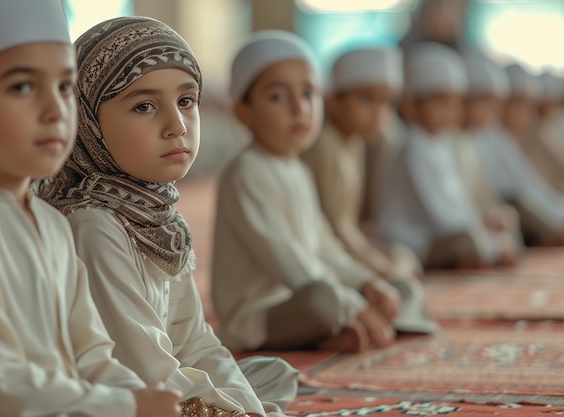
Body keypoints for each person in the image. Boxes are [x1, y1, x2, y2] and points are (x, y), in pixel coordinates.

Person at [39, 17, 297, 417]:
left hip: (158, 378)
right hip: (119, 393)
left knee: (273, 374)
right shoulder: (93, 224)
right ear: (86, 120)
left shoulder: (159, 217)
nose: (176, 126)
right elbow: (142, 368)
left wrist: (246, 407)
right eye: (144, 106)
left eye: (187, 101)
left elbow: (194, 338)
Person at [0, 2, 181, 417]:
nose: (55, 111)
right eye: (22, 88)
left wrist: (137, 397)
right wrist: (127, 405)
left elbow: (91, 353)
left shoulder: (51, 221)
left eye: (65, 88)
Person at [212, 30, 403, 355]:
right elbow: (289, 261)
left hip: (300, 293)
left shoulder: (298, 170)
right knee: (323, 301)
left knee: (389, 288)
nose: (299, 109)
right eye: (278, 97)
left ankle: (326, 334)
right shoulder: (246, 172)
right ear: (243, 112)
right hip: (258, 313)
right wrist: (352, 302)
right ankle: (328, 328)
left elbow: (324, 248)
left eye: (308, 93)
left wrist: (364, 282)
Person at [301, 46, 437, 335]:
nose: (380, 113)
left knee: (404, 258)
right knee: (400, 282)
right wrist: (376, 267)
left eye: (387, 103)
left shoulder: (355, 143)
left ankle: (381, 312)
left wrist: (383, 261)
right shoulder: (325, 146)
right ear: (334, 101)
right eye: (367, 100)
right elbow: (335, 230)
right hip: (321, 256)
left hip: (344, 248)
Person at [376, 42, 509, 269]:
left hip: (441, 233)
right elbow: (440, 214)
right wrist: (481, 228)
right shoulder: (413, 147)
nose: (453, 112)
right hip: (412, 241)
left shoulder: (443, 143)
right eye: (442, 102)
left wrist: (482, 225)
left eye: (456, 103)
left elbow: (457, 199)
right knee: (468, 240)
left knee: (492, 231)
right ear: (410, 106)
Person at [474, 65, 564, 246]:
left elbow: (535, 187)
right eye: (519, 106)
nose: (526, 115)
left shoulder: (506, 140)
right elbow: (516, 193)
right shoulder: (487, 138)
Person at [454, 49, 523, 263]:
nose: (490, 112)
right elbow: (446, 207)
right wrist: (482, 221)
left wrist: (492, 215)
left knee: (507, 217)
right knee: (471, 241)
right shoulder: (446, 143)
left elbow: (483, 194)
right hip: (449, 229)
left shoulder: (470, 142)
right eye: (482, 103)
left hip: (473, 222)